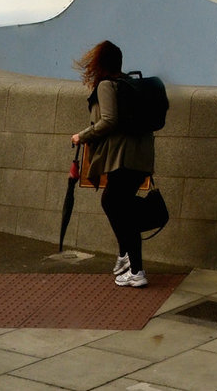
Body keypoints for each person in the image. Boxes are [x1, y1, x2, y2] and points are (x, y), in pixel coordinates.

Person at [70, 40, 155, 288]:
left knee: (115, 204)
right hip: (139, 157)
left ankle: (135, 268)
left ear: (100, 63)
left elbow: (108, 121)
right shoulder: (128, 83)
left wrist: (81, 136)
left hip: (124, 159)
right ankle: (126, 258)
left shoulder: (107, 85)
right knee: (119, 205)